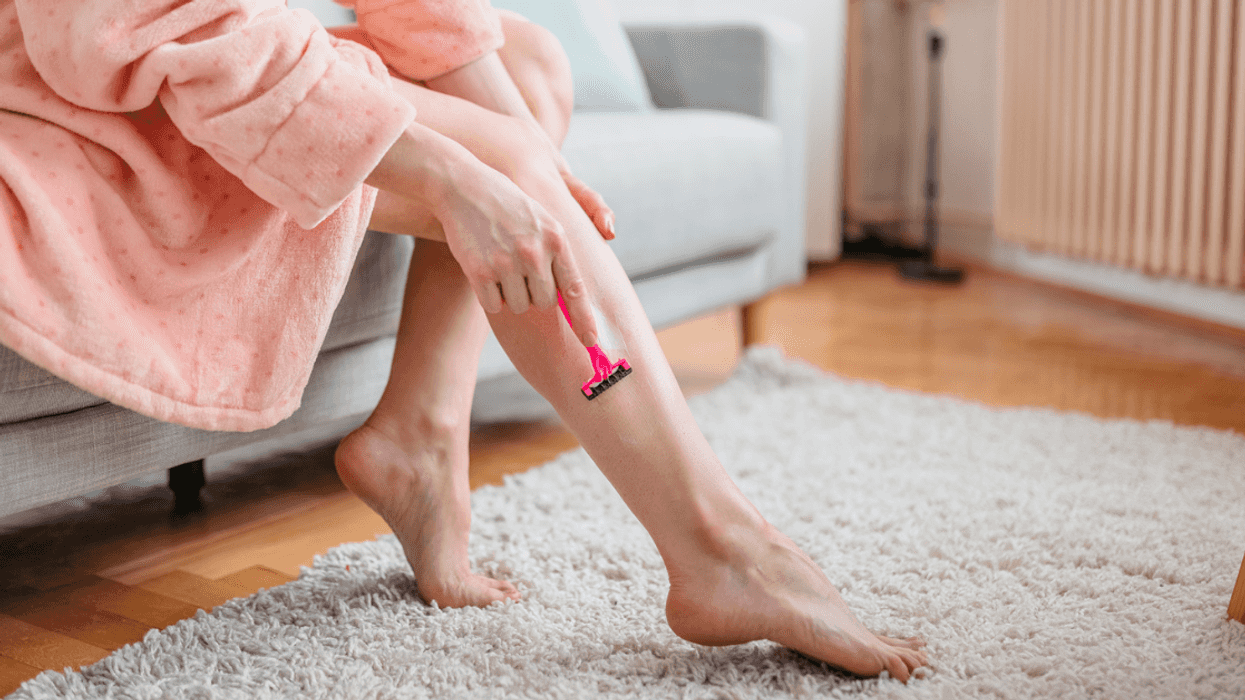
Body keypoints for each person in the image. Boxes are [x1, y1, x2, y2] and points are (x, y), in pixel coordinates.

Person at [0, 0, 927, 682]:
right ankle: (718, 548)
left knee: (527, 64)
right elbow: (141, 26)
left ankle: (421, 430)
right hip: (88, 87)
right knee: (500, 159)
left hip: (209, 44)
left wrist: (539, 177)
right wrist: (461, 173)